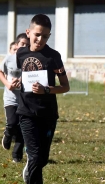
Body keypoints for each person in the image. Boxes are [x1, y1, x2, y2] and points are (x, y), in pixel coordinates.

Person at [16, 14, 70, 184]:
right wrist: (18, 80)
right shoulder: (20, 53)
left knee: (42, 159)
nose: (40, 39)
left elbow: (65, 86)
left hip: (48, 114)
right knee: (35, 156)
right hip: (26, 112)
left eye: (45, 36)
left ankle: (31, 163)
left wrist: (46, 90)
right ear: (28, 32)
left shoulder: (53, 56)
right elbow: (21, 75)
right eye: (37, 35)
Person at [0, 33, 29, 163]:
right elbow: (0, 72)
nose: (24, 47)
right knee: (12, 123)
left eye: (27, 45)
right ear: (17, 45)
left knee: (23, 127)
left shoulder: (30, 60)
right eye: (22, 44)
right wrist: (7, 84)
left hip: (24, 99)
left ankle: (17, 156)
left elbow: (33, 76)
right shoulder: (9, 59)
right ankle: (8, 134)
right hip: (10, 98)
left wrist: (22, 80)